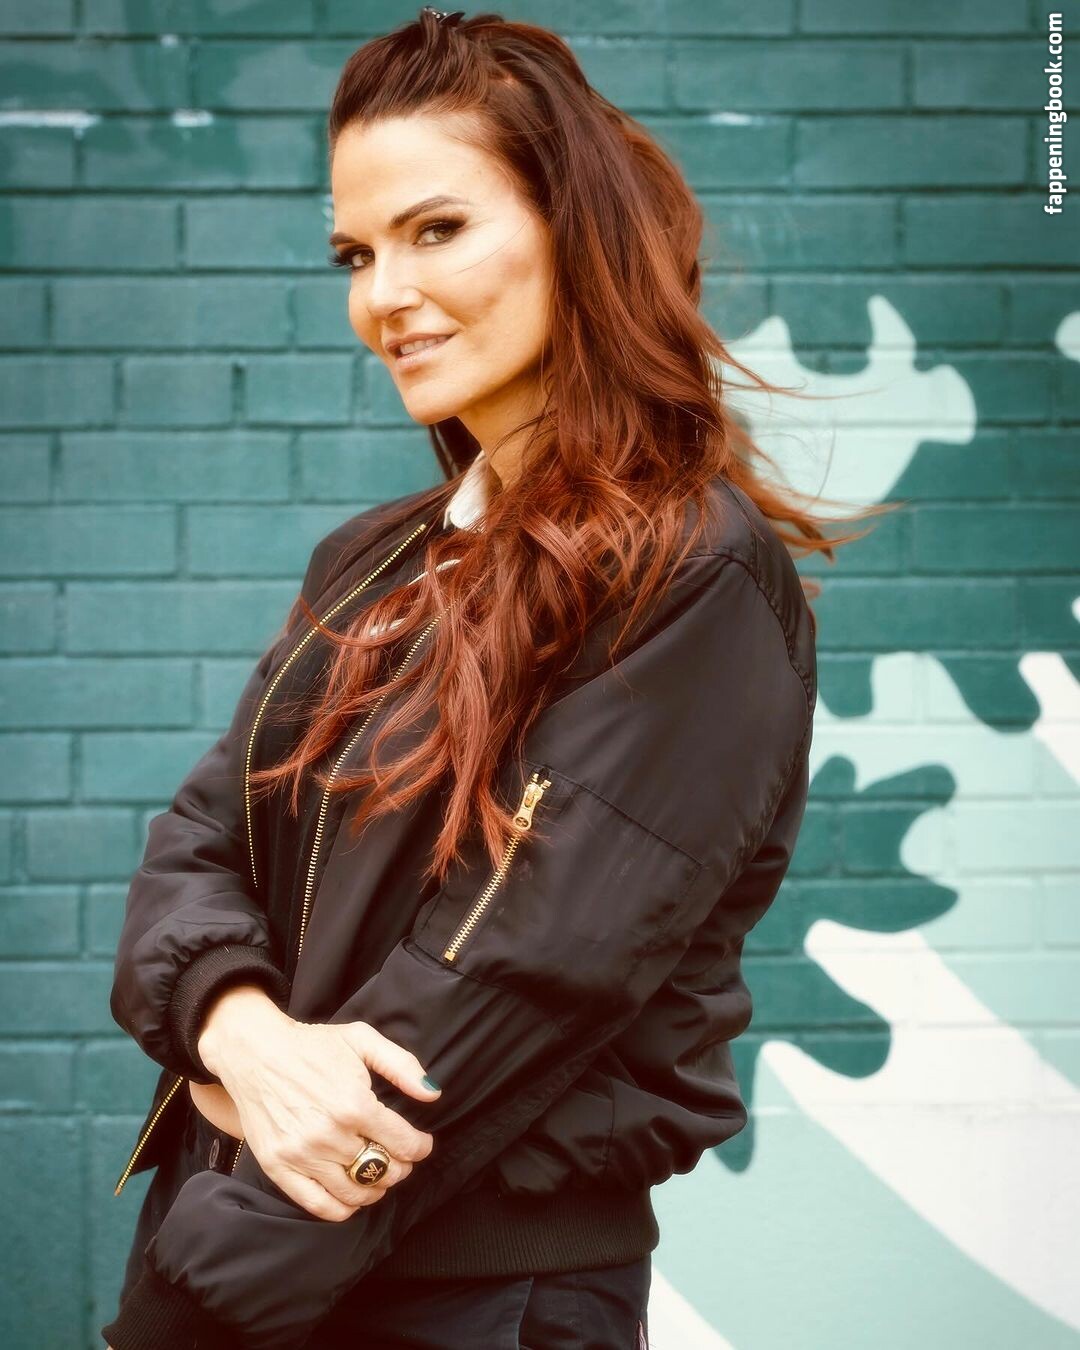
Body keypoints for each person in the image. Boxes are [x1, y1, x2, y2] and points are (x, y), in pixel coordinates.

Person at [101, 8, 886, 1348]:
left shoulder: (689, 576)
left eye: (437, 229)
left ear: (574, 229)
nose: (384, 296)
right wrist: (238, 1026)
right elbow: (200, 841)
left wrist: (199, 1286)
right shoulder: (375, 562)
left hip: (464, 1294)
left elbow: (511, 978)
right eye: (357, 253)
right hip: (265, 1250)